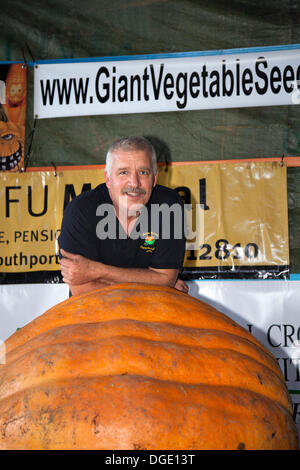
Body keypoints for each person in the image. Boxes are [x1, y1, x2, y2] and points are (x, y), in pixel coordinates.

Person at [58, 136, 188, 296]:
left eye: (143, 172)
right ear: (108, 178)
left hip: (152, 317)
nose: (134, 183)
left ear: (154, 179)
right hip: (94, 315)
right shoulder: (81, 211)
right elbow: (83, 291)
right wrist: (155, 287)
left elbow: (165, 279)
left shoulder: (168, 205)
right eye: (123, 172)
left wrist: (97, 270)